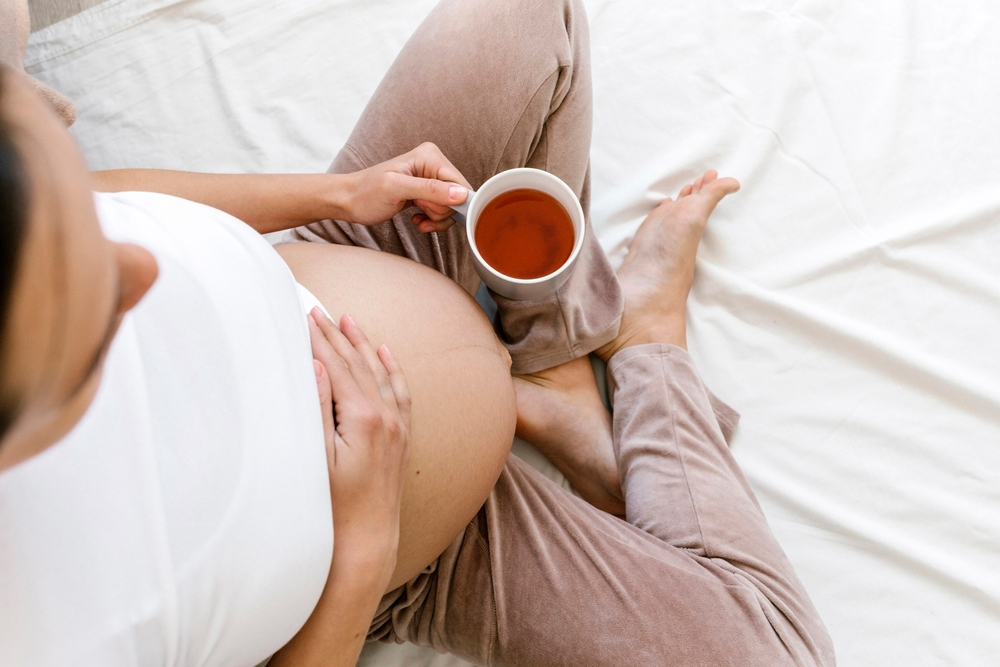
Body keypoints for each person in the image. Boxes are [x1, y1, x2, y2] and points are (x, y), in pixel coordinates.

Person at [0, 1, 836, 666]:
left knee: (530, 19)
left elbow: (90, 188)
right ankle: (646, 345)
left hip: (336, 264)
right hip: (399, 542)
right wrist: (363, 540)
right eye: (92, 333)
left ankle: (550, 359)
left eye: (99, 233)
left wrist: (340, 196)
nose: (145, 269)